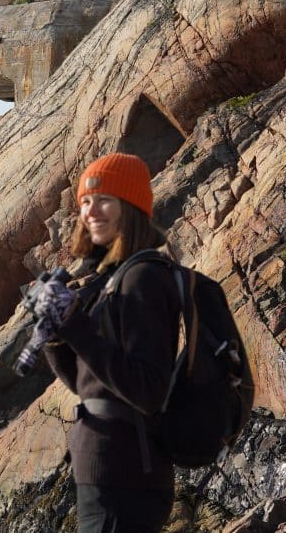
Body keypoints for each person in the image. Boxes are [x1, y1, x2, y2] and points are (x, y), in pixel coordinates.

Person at [37, 152, 182, 532]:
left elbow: (148, 390)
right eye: (85, 202)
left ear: (131, 206)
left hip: (127, 473)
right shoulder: (115, 279)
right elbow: (91, 387)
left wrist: (77, 328)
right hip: (106, 469)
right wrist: (56, 336)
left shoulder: (144, 278)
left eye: (104, 199)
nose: (91, 211)